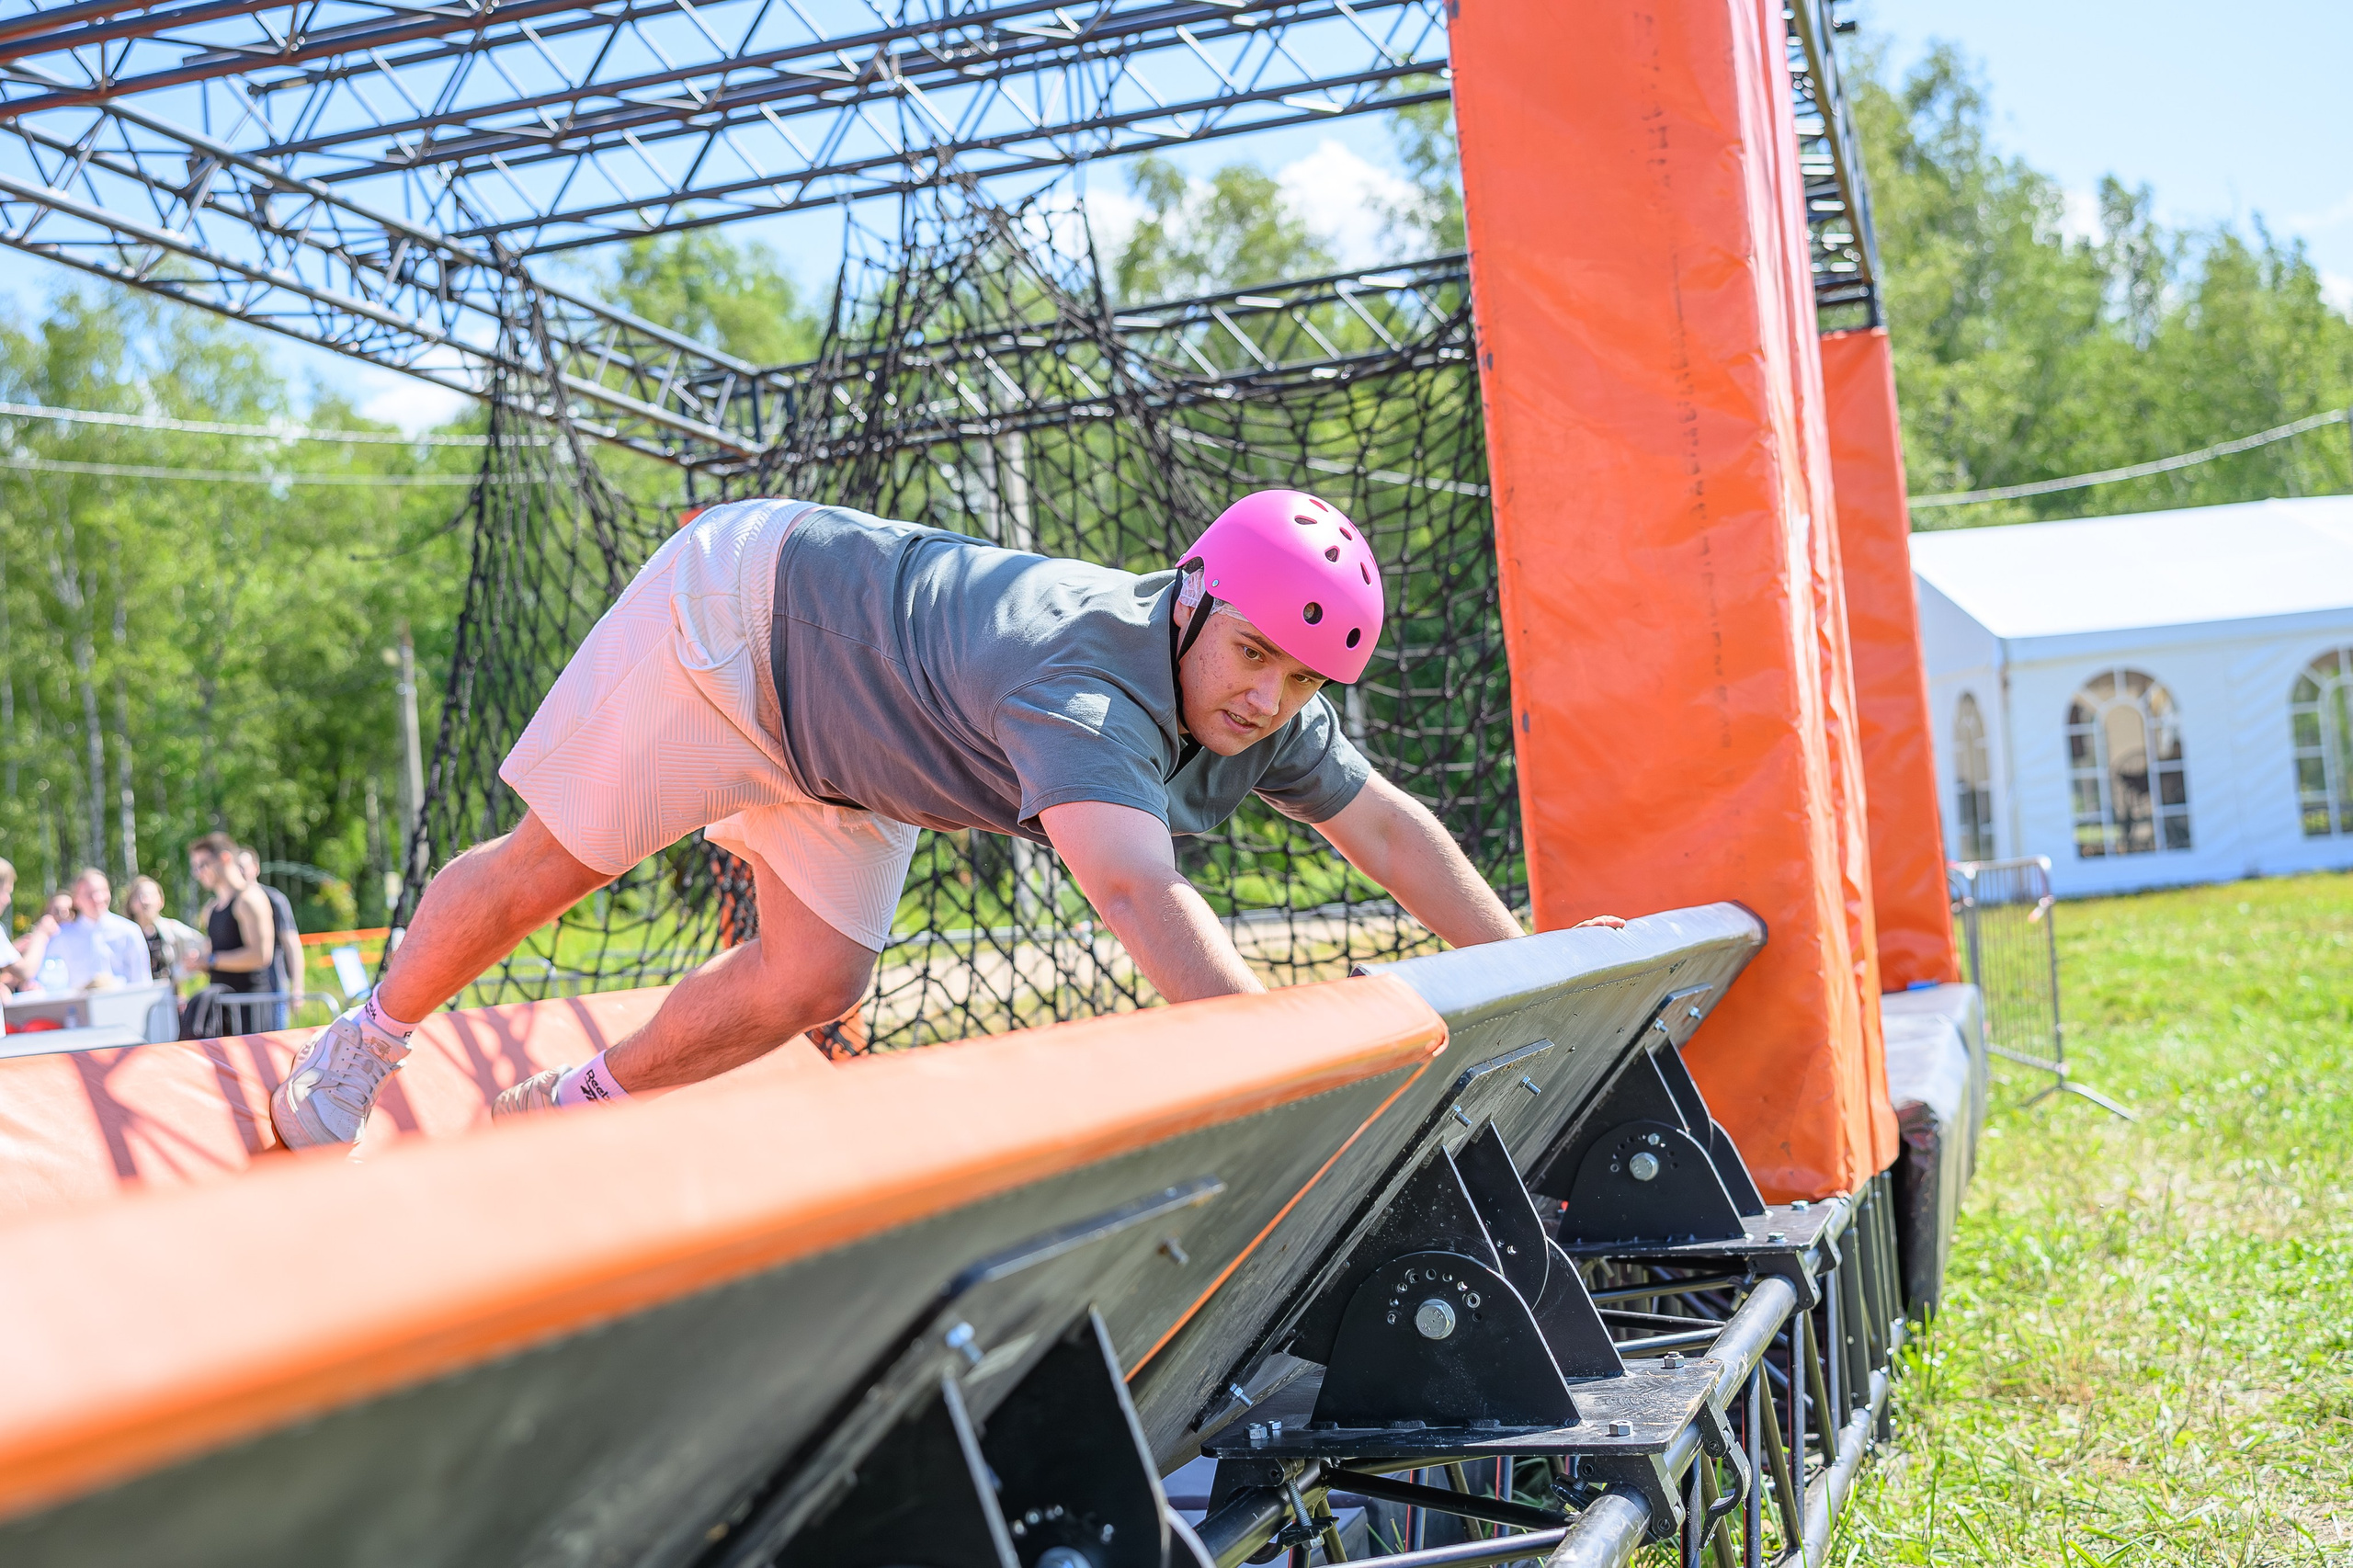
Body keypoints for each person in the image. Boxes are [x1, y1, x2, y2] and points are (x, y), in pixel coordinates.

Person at [272, 492, 1621, 1151]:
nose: (1270, 698)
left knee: (817, 977)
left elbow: (1386, 833)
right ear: (1194, 602)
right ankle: (363, 1044)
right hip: (735, 630)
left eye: (1302, 680)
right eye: (1256, 656)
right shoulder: (1087, 686)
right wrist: (1304, 1078)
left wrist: (1528, 965)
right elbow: (1143, 898)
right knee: (543, 878)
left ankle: (563, 1109)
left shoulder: (1251, 692)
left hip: (854, 740)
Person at [188, 834, 279, 1032]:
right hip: (223, 1009)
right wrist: (200, 962)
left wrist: (211, 960)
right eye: (195, 867)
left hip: (250, 1010)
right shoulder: (211, 908)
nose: (198, 873)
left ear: (225, 858)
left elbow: (261, 956)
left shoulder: (249, 899)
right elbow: (218, 955)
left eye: (203, 864)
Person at [40, 868, 152, 991]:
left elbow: (143, 981)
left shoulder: (129, 931)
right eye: (89, 894)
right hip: (79, 1007)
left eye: (103, 891)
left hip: (123, 1004)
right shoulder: (61, 937)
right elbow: (49, 984)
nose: (98, 898)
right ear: (76, 899)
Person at [235, 847, 306, 1021]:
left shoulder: (274, 899)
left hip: (273, 985)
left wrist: (297, 988)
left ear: (255, 868)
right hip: (240, 990)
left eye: (243, 867)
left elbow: (291, 944)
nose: (239, 872)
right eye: (235, 868)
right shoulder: (227, 903)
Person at [125, 875, 206, 983]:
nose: (145, 901)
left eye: (151, 895)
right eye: (139, 896)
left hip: (168, 994)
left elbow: (202, 945)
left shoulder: (172, 930)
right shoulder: (124, 935)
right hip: (136, 995)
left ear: (161, 901)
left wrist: (184, 969)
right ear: (130, 904)